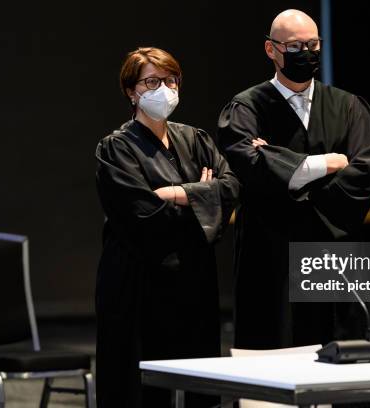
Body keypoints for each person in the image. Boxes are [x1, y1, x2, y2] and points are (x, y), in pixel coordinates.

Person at [217, 10, 370, 350]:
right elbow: (249, 165)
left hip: (333, 254)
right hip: (270, 255)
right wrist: (324, 165)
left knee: (340, 353)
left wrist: (284, 170)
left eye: (313, 44)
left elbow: (364, 169)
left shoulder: (348, 107)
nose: (306, 52)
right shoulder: (246, 108)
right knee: (271, 354)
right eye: (295, 45)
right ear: (271, 49)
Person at [94, 47, 239, 407]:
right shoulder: (116, 149)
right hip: (138, 283)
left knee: (201, 384)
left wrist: (178, 193)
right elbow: (143, 217)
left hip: (194, 280)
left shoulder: (196, 139)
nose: (165, 88)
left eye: (171, 80)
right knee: (140, 389)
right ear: (131, 91)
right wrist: (205, 197)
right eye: (152, 81)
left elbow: (232, 189)